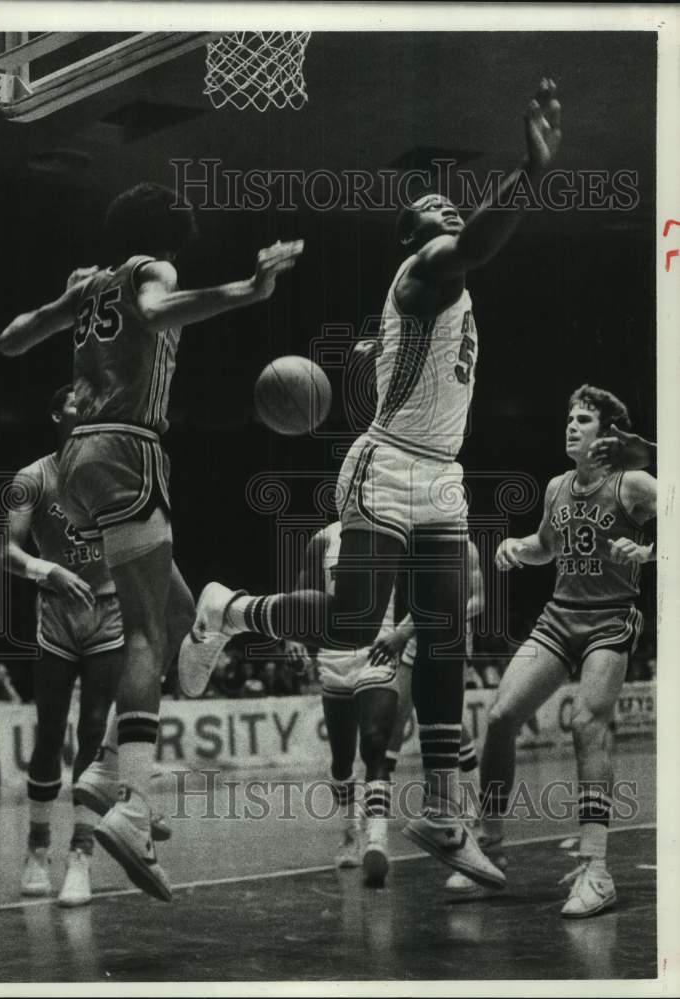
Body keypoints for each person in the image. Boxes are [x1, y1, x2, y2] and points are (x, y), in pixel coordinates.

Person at [180, 80, 562, 889]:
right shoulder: (425, 269)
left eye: (451, 206)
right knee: (354, 623)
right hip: (387, 462)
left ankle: (443, 813)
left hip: (441, 474)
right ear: (409, 235)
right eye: (432, 205)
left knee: (444, 637)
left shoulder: (445, 293)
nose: (446, 210)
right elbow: (476, 245)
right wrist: (527, 176)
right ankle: (227, 607)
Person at [0, 183, 303, 901]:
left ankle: (109, 763)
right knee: (143, 634)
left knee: (178, 617)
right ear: (172, 237)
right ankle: (133, 804)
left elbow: (13, 339)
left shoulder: (91, 286)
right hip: (129, 449)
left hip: (75, 464)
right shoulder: (150, 270)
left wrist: (60, 305)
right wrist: (250, 288)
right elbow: (160, 309)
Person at [475, 385, 656, 917]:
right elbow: (545, 547)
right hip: (559, 618)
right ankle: (487, 847)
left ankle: (597, 869)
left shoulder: (634, 484)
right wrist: (516, 549)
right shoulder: (556, 486)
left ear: (607, 435)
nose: (571, 426)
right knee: (502, 714)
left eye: (582, 420)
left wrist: (647, 551)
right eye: (569, 418)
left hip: (610, 619)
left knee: (586, 722)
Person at [5, 385, 126, 907]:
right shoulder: (31, 479)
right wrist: (46, 568)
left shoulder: (115, 474)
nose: (88, 408)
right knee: (50, 731)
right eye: (78, 401)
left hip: (108, 609)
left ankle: (80, 856)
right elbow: (5, 550)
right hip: (56, 614)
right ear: (57, 413)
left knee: (95, 730)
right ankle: (37, 848)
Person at [371, 538, 487, 893]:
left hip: (447, 642)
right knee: (392, 727)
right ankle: (375, 837)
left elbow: (478, 602)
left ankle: (476, 818)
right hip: (416, 639)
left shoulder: (466, 548)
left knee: (448, 734)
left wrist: (409, 627)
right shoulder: (413, 544)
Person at [297, 520, 401, 888]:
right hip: (334, 655)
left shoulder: (397, 533)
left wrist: (405, 637)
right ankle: (349, 832)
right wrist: (298, 640)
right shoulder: (322, 538)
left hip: (379, 650)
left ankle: (378, 840)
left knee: (375, 743)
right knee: (342, 758)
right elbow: (305, 596)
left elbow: (420, 595)